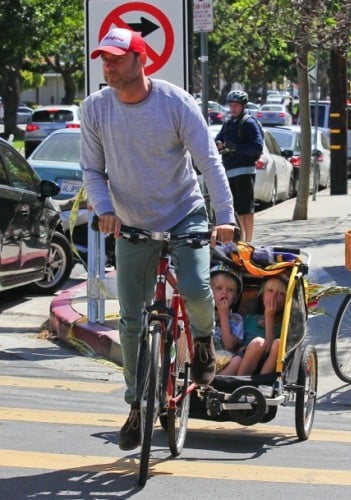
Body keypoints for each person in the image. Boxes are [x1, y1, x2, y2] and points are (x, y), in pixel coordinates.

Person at [81, 27, 237, 451]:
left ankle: (202, 342)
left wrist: (225, 217)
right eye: (104, 59)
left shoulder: (173, 102)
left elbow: (209, 161)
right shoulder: (96, 108)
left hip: (184, 214)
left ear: (140, 59)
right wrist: (104, 209)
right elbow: (93, 171)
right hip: (130, 223)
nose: (107, 65)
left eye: (116, 57)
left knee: (195, 287)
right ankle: (136, 405)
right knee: (131, 321)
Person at [215, 90, 264, 243]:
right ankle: (239, 242)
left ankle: (248, 242)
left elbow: (257, 147)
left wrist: (235, 147)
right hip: (229, 171)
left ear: (243, 106)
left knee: (245, 210)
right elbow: (218, 140)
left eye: (236, 105)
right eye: (230, 105)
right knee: (234, 210)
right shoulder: (229, 123)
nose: (233, 108)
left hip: (244, 171)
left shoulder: (249, 122)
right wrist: (219, 144)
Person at [222, 275, 287, 376]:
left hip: (267, 364)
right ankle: (236, 381)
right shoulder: (248, 318)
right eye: (270, 291)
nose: (274, 296)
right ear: (262, 295)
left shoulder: (284, 324)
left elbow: (269, 349)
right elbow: (236, 344)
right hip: (244, 359)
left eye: (281, 294)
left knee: (277, 343)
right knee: (257, 344)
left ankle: (261, 383)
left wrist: (269, 317)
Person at [210, 263, 244, 372]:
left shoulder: (236, 319)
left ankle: (218, 381)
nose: (224, 292)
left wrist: (223, 314)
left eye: (230, 290)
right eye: (219, 288)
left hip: (224, 361)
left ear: (235, 297)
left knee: (238, 360)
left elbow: (228, 346)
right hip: (202, 358)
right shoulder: (203, 312)